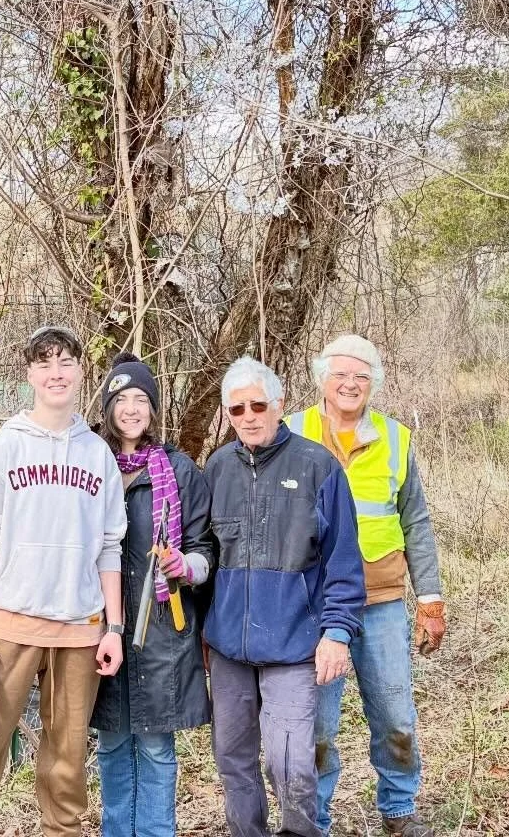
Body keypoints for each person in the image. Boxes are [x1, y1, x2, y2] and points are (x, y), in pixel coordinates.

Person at [0, 326, 128, 837]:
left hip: (81, 630)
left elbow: (110, 546)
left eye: (66, 362)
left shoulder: (97, 455)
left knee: (67, 764)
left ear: (83, 372)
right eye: (45, 363)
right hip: (12, 627)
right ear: (30, 374)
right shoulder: (4, 448)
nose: (56, 373)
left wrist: (114, 627)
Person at [287, 335, 446, 837]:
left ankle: (399, 812)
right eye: (340, 375)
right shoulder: (292, 432)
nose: (350, 384)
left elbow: (415, 522)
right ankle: (315, 820)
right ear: (321, 380)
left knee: (395, 713)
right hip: (315, 607)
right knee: (316, 726)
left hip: (380, 603)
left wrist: (431, 599)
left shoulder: (396, 438)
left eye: (361, 376)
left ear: (373, 383)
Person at [203, 356, 365, 837]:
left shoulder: (318, 466)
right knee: (233, 763)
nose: (248, 416)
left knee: (290, 763)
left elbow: (344, 562)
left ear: (279, 405)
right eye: (237, 410)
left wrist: (336, 632)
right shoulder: (216, 469)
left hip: (296, 645)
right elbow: (205, 558)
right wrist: (202, 637)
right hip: (230, 649)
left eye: (258, 405)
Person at [90, 353, 215, 837]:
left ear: (153, 408)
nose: (132, 408)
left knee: (158, 748)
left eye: (141, 398)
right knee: (113, 743)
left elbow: (207, 548)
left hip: (164, 630)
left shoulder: (179, 471)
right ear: (107, 407)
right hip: (100, 628)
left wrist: (187, 566)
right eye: (122, 399)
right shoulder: (91, 466)